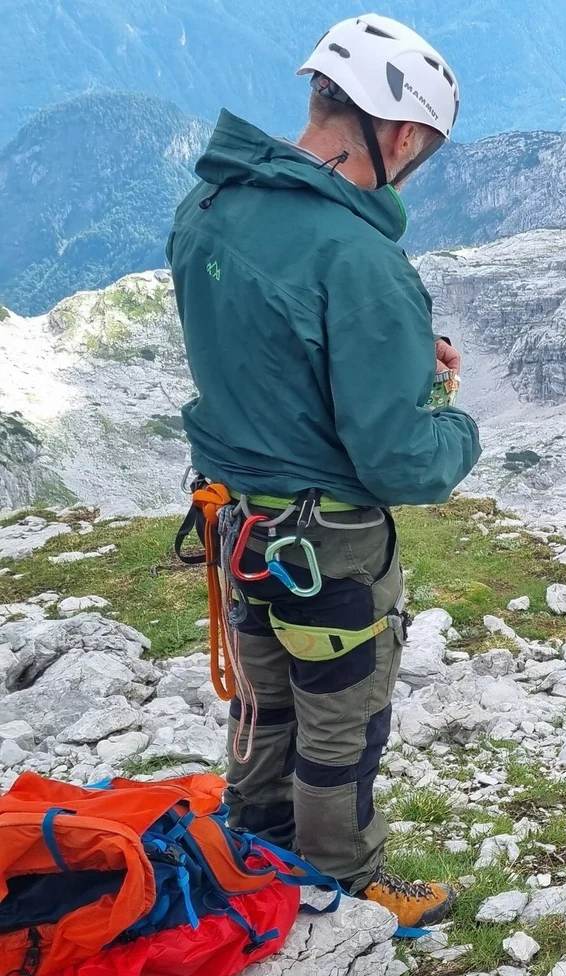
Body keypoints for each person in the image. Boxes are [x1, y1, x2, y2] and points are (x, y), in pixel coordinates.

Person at [166, 14, 480, 928]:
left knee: (263, 694)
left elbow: (269, 344)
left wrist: (390, 352)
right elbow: (398, 459)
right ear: (406, 135)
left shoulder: (210, 206)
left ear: (321, 100)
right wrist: (454, 421)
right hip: (326, 540)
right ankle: (343, 877)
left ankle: (251, 841)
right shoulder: (359, 257)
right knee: (342, 712)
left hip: (235, 522)